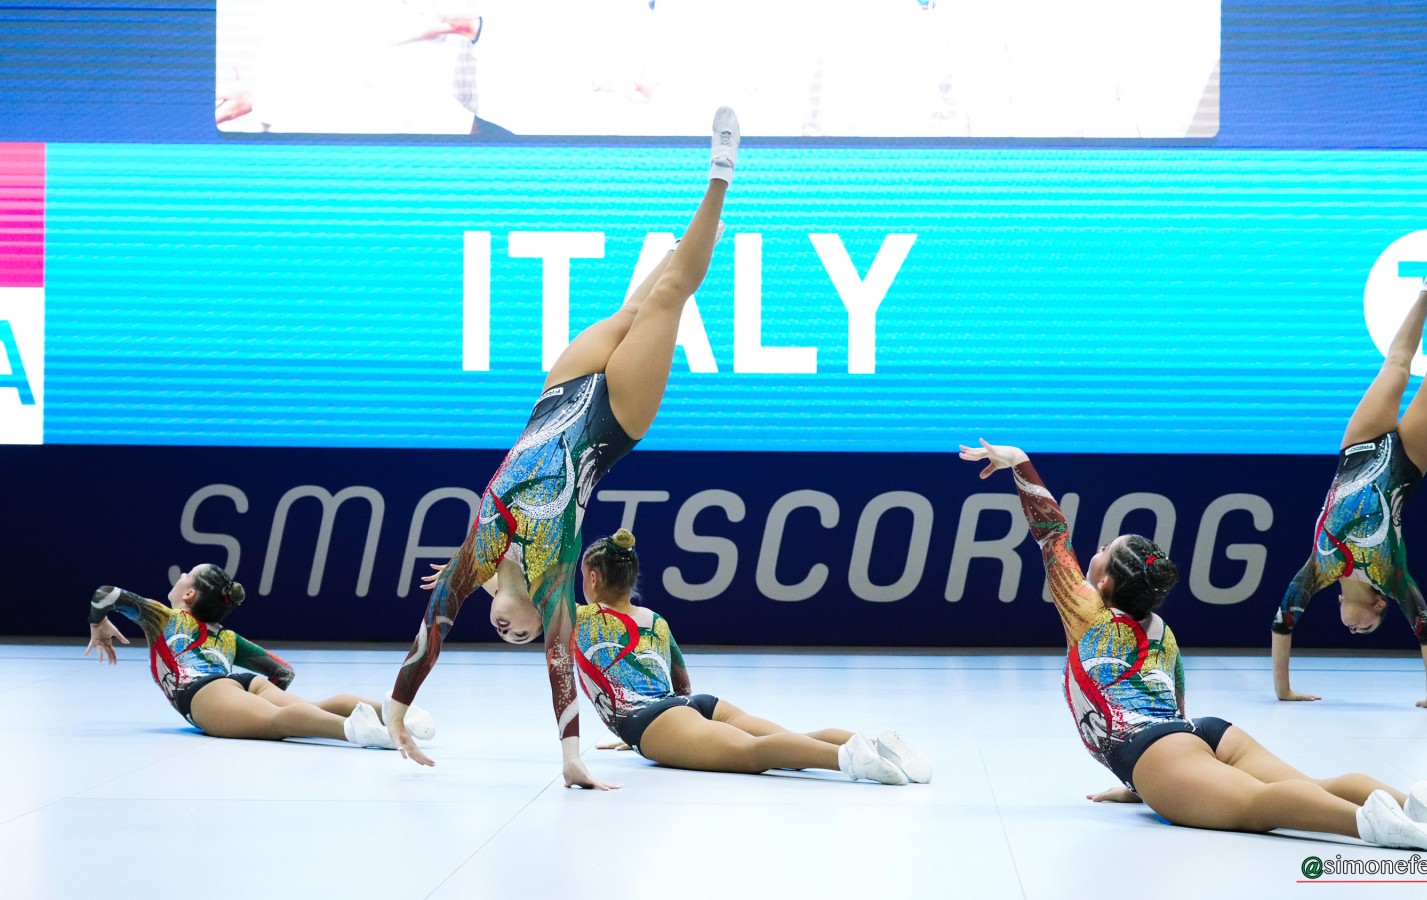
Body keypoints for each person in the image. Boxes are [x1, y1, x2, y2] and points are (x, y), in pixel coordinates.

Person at [384, 107, 742, 787]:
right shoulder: (554, 584)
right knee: (668, 296)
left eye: (506, 632)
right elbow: (560, 667)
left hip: (558, 393)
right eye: (521, 634)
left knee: (633, 309)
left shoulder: (476, 559)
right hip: (615, 424)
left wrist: (396, 710)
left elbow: (432, 631)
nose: (512, 634)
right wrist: (572, 760)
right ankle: (721, 176)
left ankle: (697, 237)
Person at [959, 439, 1427, 851]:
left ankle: (1372, 827)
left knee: (1258, 807)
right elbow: (1176, 707)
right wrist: (1148, 781)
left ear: (1105, 582)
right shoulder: (1160, 629)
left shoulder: (1087, 613)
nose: (1092, 553)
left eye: (1102, 551)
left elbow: (1052, 536)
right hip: (1198, 736)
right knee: (1310, 785)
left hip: (1155, 750)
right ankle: (1412, 802)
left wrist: (1020, 462)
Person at [420, 529, 931, 785]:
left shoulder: (575, 618)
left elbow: (509, 590)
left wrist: (462, 571)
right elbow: (681, 684)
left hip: (654, 720)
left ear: (591, 579)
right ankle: (871, 740)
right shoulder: (656, 621)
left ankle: (854, 761)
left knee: (756, 756)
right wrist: (667, 724)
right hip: (694, 706)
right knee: (787, 739)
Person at [1272, 229, 1427, 708]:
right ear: (1380, 605)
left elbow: (1282, 624)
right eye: (1368, 628)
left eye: (1355, 630)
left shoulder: (1318, 570)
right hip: (1408, 466)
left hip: (1356, 449)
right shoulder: (1393, 577)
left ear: (1341, 601)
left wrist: (1284, 690)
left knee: (1396, 365)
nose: (1355, 631)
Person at [84, 563, 427, 748]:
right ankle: (396, 712)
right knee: (309, 708)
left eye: (187, 574)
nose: (181, 575)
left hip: (204, 693)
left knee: (278, 722)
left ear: (188, 595)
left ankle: (359, 732)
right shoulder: (228, 638)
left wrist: (98, 626)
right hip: (244, 684)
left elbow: (106, 594)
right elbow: (282, 672)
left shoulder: (164, 618)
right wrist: (253, 700)